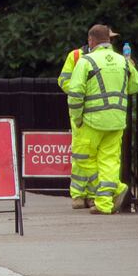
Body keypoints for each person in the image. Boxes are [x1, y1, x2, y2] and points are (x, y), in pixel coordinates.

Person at [65, 24, 138, 215]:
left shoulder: (86, 61)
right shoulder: (123, 61)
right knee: (109, 161)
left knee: (83, 159)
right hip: (116, 120)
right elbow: (136, 86)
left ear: (91, 41)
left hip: (91, 120)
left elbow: (75, 94)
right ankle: (104, 204)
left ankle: (115, 189)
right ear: (108, 40)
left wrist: (76, 118)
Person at [58, 30, 94, 209]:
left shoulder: (109, 57)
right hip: (81, 111)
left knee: (96, 155)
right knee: (81, 154)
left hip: (98, 112)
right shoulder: (76, 55)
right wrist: (81, 94)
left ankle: (92, 195)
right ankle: (79, 194)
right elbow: (63, 80)